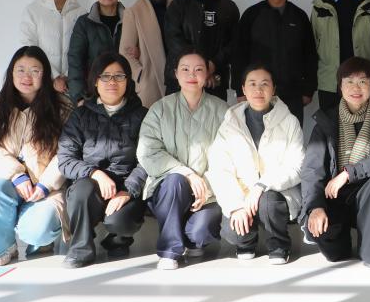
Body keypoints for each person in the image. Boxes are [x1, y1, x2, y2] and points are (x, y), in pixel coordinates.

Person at [0, 46, 72, 266]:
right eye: (21, 70)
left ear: (45, 75)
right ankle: (4, 246)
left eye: (35, 71)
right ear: (11, 72)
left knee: (38, 230)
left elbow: (68, 151)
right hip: (5, 179)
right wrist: (16, 174)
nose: (27, 77)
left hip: (47, 186)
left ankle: (37, 237)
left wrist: (46, 184)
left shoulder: (63, 107)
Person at [301, 57, 370, 267]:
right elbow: (312, 169)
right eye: (349, 82)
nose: (356, 88)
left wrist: (347, 173)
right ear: (340, 86)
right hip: (334, 196)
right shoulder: (327, 120)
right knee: (336, 254)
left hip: (368, 194)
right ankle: (338, 239)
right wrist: (315, 207)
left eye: (363, 81)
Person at [137, 49, 229, 270]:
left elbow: (229, 156)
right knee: (176, 180)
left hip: (208, 192)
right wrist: (186, 173)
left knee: (200, 233)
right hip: (167, 190)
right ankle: (170, 251)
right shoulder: (160, 109)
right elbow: (148, 152)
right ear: (176, 74)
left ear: (207, 74)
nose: (191, 74)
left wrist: (206, 186)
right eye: (185, 69)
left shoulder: (222, 110)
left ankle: (190, 239)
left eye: (198, 69)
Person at [58, 52, 148, 268]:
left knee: (121, 221)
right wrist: (95, 173)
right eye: (105, 76)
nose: (112, 82)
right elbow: (65, 159)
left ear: (128, 81)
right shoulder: (80, 115)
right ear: (95, 81)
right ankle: (80, 247)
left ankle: (118, 238)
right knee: (82, 191)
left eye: (119, 76)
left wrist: (128, 190)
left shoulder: (143, 115)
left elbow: (148, 160)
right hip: (90, 185)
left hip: (126, 186)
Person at [208, 64, 304, 265]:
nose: (258, 90)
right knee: (234, 232)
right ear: (243, 89)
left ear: (273, 89)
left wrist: (262, 185)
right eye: (252, 84)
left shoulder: (289, 121)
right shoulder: (230, 123)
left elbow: (296, 166)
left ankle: (278, 243)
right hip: (241, 194)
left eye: (264, 84)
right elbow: (219, 167)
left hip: (275, 192)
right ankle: (246, 242)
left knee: (269, 202)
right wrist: (236, 206)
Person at [234, 0, 317, 121]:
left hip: (292, 93)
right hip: (258, 93)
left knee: (291, 135)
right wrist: (239, 89)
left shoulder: (299, 16)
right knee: (258, 135)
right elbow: (239, 55)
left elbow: (310, 55)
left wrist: (308, 90)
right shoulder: (251, 15)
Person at [164, 0, 239, 101]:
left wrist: (212, 66)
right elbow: (173, 40)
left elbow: (233, 44)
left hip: (215, 82)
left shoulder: (230, 8)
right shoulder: (179, 4)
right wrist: (200, 68)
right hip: (181, 82)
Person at [20, 0, 83, 94]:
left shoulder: (80, 12)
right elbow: (29, 46)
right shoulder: (33, 10)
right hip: (42, 80)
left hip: (72, 82)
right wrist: (54, 76)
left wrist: (68, 76)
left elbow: (83, 48)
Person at [67, 0, 125, 104]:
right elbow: (75, 59)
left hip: (124, 90)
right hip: (92, 92)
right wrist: (79, 96)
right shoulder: (84, 22)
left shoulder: (131, 20)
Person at [120, 0, 171, 108]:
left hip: (177, 75)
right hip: (150, 80)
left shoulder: (177, 6)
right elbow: (125, 51)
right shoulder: (133, 11)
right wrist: (140, 75)